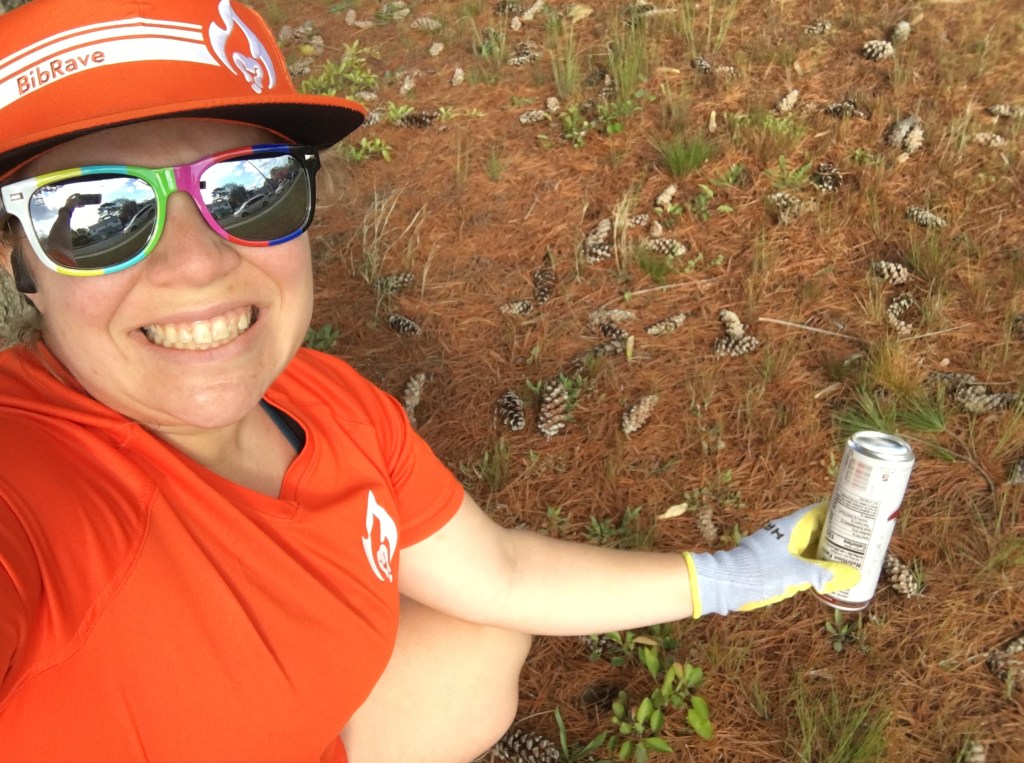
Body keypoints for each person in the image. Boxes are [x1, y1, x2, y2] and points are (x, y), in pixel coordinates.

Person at [0, 1, 859, 761]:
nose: (196, 264)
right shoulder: (33, 486)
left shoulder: (331, 403)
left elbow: (502, 573)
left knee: (478, 637)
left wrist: (730, 575)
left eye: (248, 187)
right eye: (93, 215)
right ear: (22, 268)